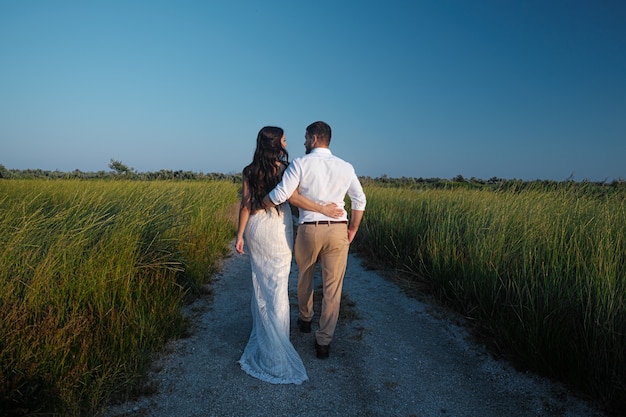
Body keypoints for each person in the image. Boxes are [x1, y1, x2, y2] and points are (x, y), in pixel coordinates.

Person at [235, 126, 341, 384]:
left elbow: (246, 205)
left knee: (261, 283)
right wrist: (323, 209)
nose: (287, 142)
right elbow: (293, 198)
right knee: (278, 286)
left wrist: (239, 235)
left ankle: (267, 337)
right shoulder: (285, 168)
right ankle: (277, 352)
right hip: (277, 229)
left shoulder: (249, 171)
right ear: (276, 144)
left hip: (256, 229)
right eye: (283, 139)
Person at [261, 121, 366, 359]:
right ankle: (323, 341)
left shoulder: (300, 163)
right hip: (338, 230)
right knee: (332, 288)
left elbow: (282, 194)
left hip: (309, 229)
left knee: (304, 276)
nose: (304, 142)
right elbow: (360, 200)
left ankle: (305, 318)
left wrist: (259, 204)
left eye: (306, 138)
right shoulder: (345, 167)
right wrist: (353, 229)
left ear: (315, 139)